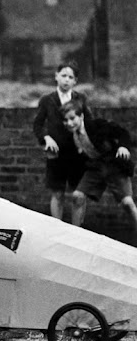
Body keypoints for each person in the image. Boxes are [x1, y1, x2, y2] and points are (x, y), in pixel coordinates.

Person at [33, 61, 92, 224]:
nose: (66, 80)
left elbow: (90, 123)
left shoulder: (81, 98)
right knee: (57, 194)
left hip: (78, 154)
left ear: (75, 81)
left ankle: (76, 232)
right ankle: (57, 229)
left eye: (70, 77)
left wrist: (85, 142)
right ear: (56, 77)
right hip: (56, 154)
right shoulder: (47, 100)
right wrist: (46, 137)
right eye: (63, 75)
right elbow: (37, 124)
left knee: (78, 196)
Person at [61, 100, 136, 226]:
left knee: (127, 203)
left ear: (81, 116)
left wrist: (123, 147)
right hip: (95, 167)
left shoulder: (96, 125)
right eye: (65, 120)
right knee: (77, 196)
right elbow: (75, 162)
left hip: (114, 166)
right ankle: (75, 233)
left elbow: (122, 132)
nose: (69, 123)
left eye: (72, 118)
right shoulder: (71, 138)